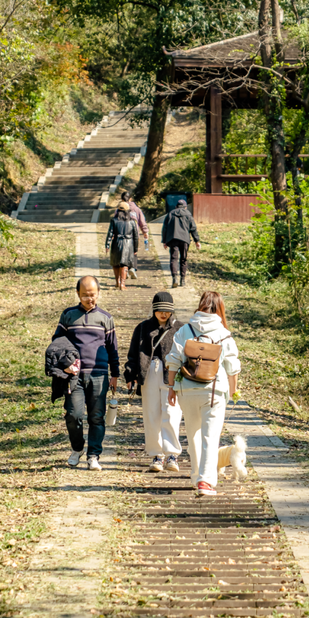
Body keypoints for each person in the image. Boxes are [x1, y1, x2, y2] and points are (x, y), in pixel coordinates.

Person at [166, 291, 240, 497]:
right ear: (219, 309)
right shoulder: (223, 333)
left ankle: (196, 475)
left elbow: (173, 360)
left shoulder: (185, 330)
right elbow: (232, 366)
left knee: (193, 434)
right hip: (213, 392)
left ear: (200, 306)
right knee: (210, 435)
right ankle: (205, 482)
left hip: (187, 391)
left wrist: (171, 388)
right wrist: (233, 392)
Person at [52, 275, 119, 471]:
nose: (89, 299)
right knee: (73, 415)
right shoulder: (68, 315)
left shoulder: (105, 318)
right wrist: (65, 364)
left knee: (97, 417)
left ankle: (93, 455)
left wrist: (114, 374)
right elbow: (57, 343)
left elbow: (112, 348)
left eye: (92, 295)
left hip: (99, 375)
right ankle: (77, 448)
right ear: (78, 294)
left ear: (98, 293)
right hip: (74, 376)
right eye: (85, 295)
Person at [124, 292, 184, 474]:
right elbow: (133, 353)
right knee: (151, 416)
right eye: (160, 311)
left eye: (167, 311)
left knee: (172, 413)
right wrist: (130, 375)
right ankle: (156, 455)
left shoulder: (181, 328)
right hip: (149, 372)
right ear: (154, 310)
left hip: (172, 375)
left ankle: (172, 454)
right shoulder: (143, 328)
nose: (163, 314)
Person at [161, 198, 200, 288]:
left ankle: (175, 278)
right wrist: (196, 241)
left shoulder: (170, 214)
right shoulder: (188, 214)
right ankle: (183, 280)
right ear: (185, 207)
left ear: (176, 206)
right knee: (183, 259)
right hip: (185, 240)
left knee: (174, 259)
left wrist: (164, 241)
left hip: (173, 239)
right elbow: (193, 228)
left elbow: (165, 228)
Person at [105, 202, 139, 290]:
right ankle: (122, 284)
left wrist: (107, 245)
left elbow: (110, 233)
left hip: (116, 242)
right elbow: (135, 236)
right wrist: (135, 248)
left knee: (115, 263)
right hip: (128, 244)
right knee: (124, 264)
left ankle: (117, 282)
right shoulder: (132, 222)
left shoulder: (114, 220)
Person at [119, 190, 149, 279]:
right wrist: (145, 232)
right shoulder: (136, 209)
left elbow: (116, 221)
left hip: (123, 234)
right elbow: (142, 221)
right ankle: (133, 268)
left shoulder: (119, 209)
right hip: (134, 234)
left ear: (121, 199)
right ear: (130, 198)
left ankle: (125, 270)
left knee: (124, 252)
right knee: (134, 251)